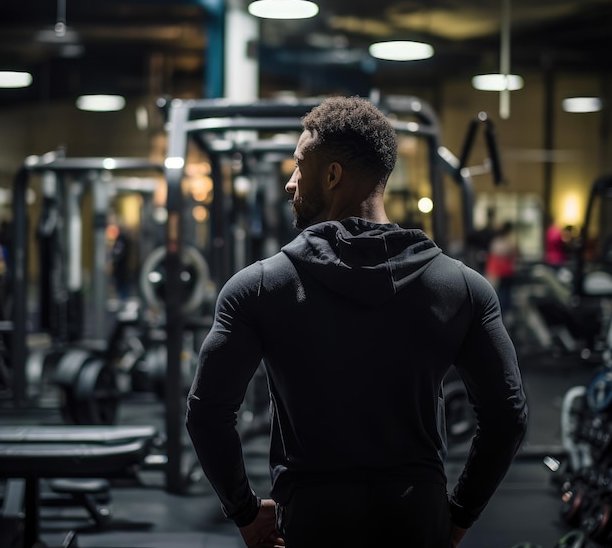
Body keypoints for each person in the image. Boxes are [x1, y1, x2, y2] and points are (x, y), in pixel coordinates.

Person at [185, 96, 528, 548]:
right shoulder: (462, 287)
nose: (289, 183)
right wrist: (459, 514)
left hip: (312, 523)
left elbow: (207, 414)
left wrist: (245, 512)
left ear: (331, 176)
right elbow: (507, 417)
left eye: (298, 166)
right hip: (416, 520)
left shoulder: (258, 288)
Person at [485, 220, 519, 316]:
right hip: (501, 273)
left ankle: (502, 316)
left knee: (502, 296)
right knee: (502, 296)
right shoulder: (504, 242)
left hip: (502, 273)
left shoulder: (498, 242)